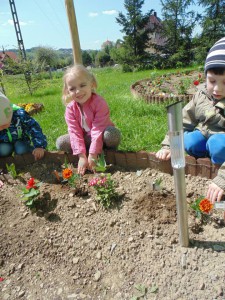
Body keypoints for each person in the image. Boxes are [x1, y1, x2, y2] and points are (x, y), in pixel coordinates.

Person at [156, 37, 225, 204]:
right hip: (205, 132)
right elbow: (183, 121)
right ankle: (208, 158)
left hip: (221, 138)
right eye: (212, 81)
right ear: (206, 76)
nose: (217, 88)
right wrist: (169, 145)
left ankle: (218, 166)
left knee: (218, 144)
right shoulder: (201, 95)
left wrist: (222, 179)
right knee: (190, 141)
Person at [56, 64, 121, 176]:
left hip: (102, 136)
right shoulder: (70, 109)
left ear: (91, 84)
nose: (78, 91)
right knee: (61, 142)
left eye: (82, 85)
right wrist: (81, 156)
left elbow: (98, 129)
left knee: (112, 134)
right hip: (85, 139)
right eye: (72, 88)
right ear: (67, 91)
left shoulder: (99, 103)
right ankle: (83, 153)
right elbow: (74, 132)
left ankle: (108, 152)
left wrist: (93, 154)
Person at [0, 91, 47, 187]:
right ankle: (7, 161)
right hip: (4, 143)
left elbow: (34, 128)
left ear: (9, 113)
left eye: (3, 125)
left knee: (21, 149)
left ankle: (25, 157)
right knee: (3, 150)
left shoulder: (20, 115)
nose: (1, 129)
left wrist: (39, 146)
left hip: (20, 140)